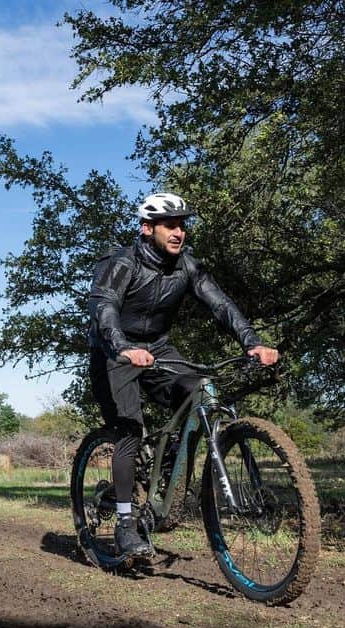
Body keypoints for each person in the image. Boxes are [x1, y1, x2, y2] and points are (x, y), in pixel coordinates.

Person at [88, 192, 279, 558]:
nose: (179, 232)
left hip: (157, 349)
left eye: (182, 225)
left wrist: (252, 342)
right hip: (113, 351)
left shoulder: (186, 267)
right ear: (148, 228)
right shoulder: (122, 264)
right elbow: (105, 307)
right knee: (129, 431)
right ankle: (126, 525)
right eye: (170, 225)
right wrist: (123, 347)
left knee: (201, 392)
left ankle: (170, 473)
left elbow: (220, 304)